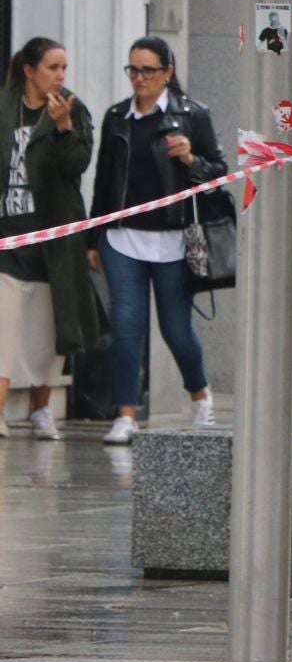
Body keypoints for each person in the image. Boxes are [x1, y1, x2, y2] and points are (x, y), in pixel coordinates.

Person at [87, 37, 226, 445]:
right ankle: (125, 414)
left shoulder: (192, 115)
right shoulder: (117, 117)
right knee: (127, 326)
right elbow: (103, 180)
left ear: (168, 71)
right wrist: (94, 237)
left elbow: (218, 173)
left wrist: (190, 159)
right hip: (122, 238)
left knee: (176, 330)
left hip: (174, 239)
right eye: (133, 69)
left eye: (147, 70)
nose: (139, 78)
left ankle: (199, 394)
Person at [1, 38, 106, 440]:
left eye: (64, 68)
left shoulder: (73, 110)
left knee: (47, 329)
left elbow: (77, 164)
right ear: (29, 70)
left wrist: (63, 127)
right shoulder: (5, 107)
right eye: (52, 67)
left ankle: (42, 409)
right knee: (4, 328)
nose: (61, 75)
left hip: (53, 236)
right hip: (7, 237)